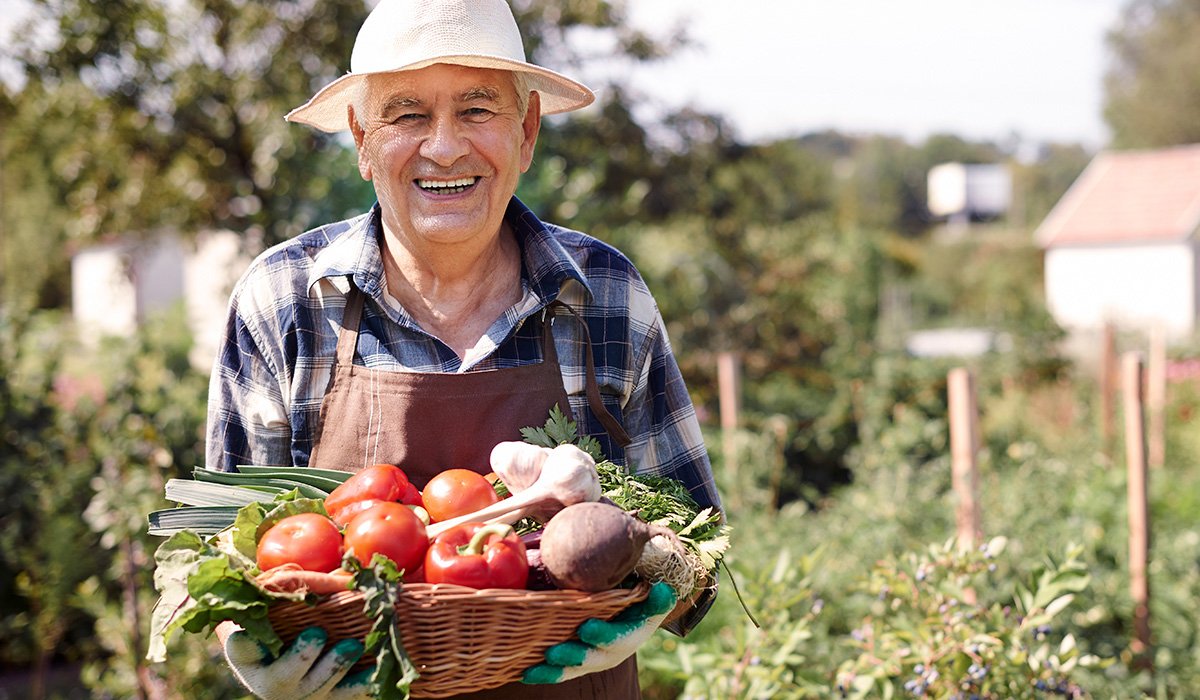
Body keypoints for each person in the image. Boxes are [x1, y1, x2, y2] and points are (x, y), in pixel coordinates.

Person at [205, 0, 721, 697]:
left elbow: (698, 546)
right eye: (407, 113)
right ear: (361, 137)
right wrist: (249, 650)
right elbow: (223, 558)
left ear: (527, 131)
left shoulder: (605, 295)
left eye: (477, 110)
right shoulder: (284, 300)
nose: (444, 147)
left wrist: (650, 604)